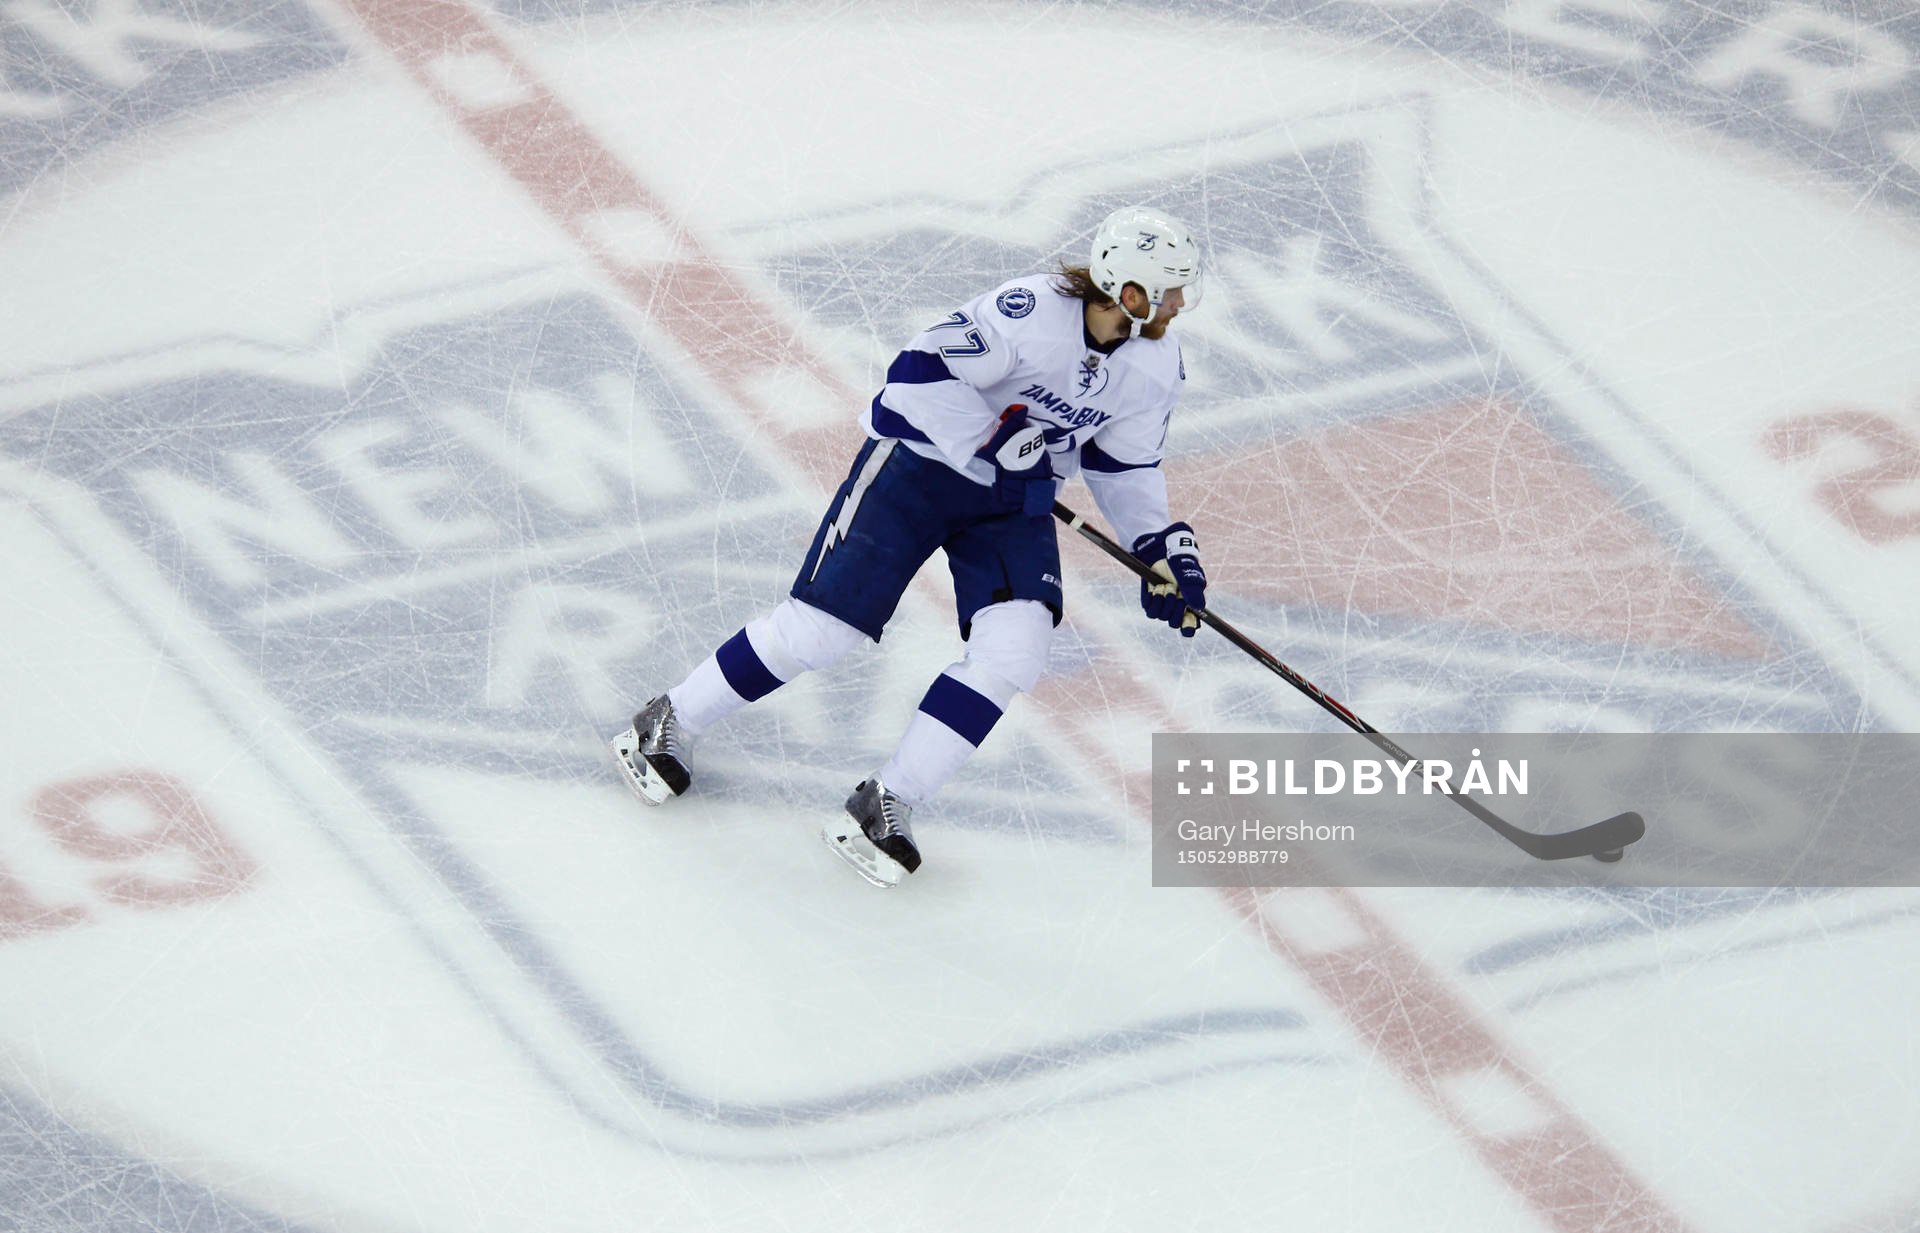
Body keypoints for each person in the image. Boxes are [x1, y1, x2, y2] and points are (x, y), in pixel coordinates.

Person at [611, 205, 1211, 887]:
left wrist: (1159, 547)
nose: (1182, 303)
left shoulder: (1156, 366)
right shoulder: (1028, 313)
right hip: (918, 468)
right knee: (822, 632)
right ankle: (668, 720)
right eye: (1171, 289)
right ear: (1128, 291)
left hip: (1012, 502)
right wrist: (990, 442)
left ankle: (885, 802)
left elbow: (1123, 466)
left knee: (1015, 647)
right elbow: (914, 374)